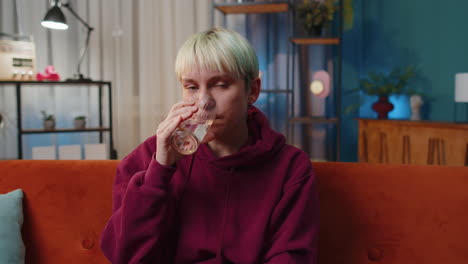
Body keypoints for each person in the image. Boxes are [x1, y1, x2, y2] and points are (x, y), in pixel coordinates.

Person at [100, 27, 319, 264]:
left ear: (252, 90)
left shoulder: (290, 167)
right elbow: (124, 257)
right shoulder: (148, 158)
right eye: (192, 87)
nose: (204, 102)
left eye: (221, 85)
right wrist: (159, 171)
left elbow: (290, 257)